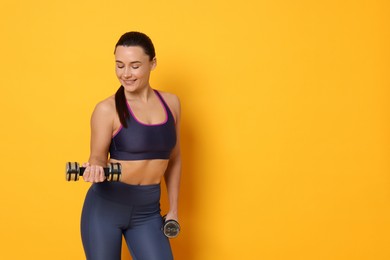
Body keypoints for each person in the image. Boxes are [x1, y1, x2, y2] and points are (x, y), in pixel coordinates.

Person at [80, 31, 181, 260]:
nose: (126, 74)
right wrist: (95, 166)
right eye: (119, 65)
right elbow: (96, 157)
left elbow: (174, 158)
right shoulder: (107, 109)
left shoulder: (172, 103)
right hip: (105, 209)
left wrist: (173, 210)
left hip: (148, 213)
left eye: (135, 66)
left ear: (152, 63)